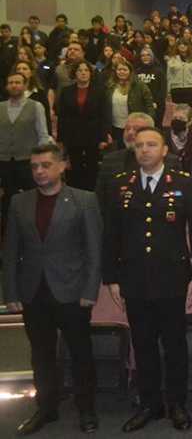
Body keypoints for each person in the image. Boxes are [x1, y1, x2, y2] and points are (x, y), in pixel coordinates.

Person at [103, 127, 192, 432]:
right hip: (134, 277)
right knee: (143, 344)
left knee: (174, 345)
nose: (144, 150)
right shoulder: (120, 185)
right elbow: (111, 235)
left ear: (163, 151)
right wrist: (112, 278)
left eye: (151, 145)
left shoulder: (183, 183)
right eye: (140, 145)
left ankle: (177, 404)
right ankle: (150, 404)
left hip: (172, 277)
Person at [4, 143, 102, 435]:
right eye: (34, 166)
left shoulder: (85, 200)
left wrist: (90, 290)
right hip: (33, 291)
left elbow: (94, 250)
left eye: (46, 165)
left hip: (72, 290)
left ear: (62, 166)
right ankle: (46, 408)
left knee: (80, 353)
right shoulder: (18, 202)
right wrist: (10, 292)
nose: (39, 171)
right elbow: (10, 251)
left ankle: (87, 410)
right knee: (41, 353)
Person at [1, 72, 53, 232]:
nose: (14, 85)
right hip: (3, 161)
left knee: (31, 198)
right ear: (6, 86)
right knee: (7, 200)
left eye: (17, 82)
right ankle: (10, 232)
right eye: (11, 82)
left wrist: (43, 161)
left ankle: (32, 228)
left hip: (28, 160)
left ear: (24, 85)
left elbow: (43, 134)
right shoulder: (0, 107)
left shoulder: (35, 106)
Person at [56, 61, 108, 190]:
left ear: (90, 73)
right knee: (75, 167)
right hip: (73, 136)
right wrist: (61, 138)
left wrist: (103, 137)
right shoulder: (66, 91)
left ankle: (91, 193)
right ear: (75, 73)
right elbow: (62, 117)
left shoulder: (100, 91)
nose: (83, 73)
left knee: (92, 167)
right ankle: (75, 192)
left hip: (93, 135)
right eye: (80, 70)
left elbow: (104, 115)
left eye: (86, 70)